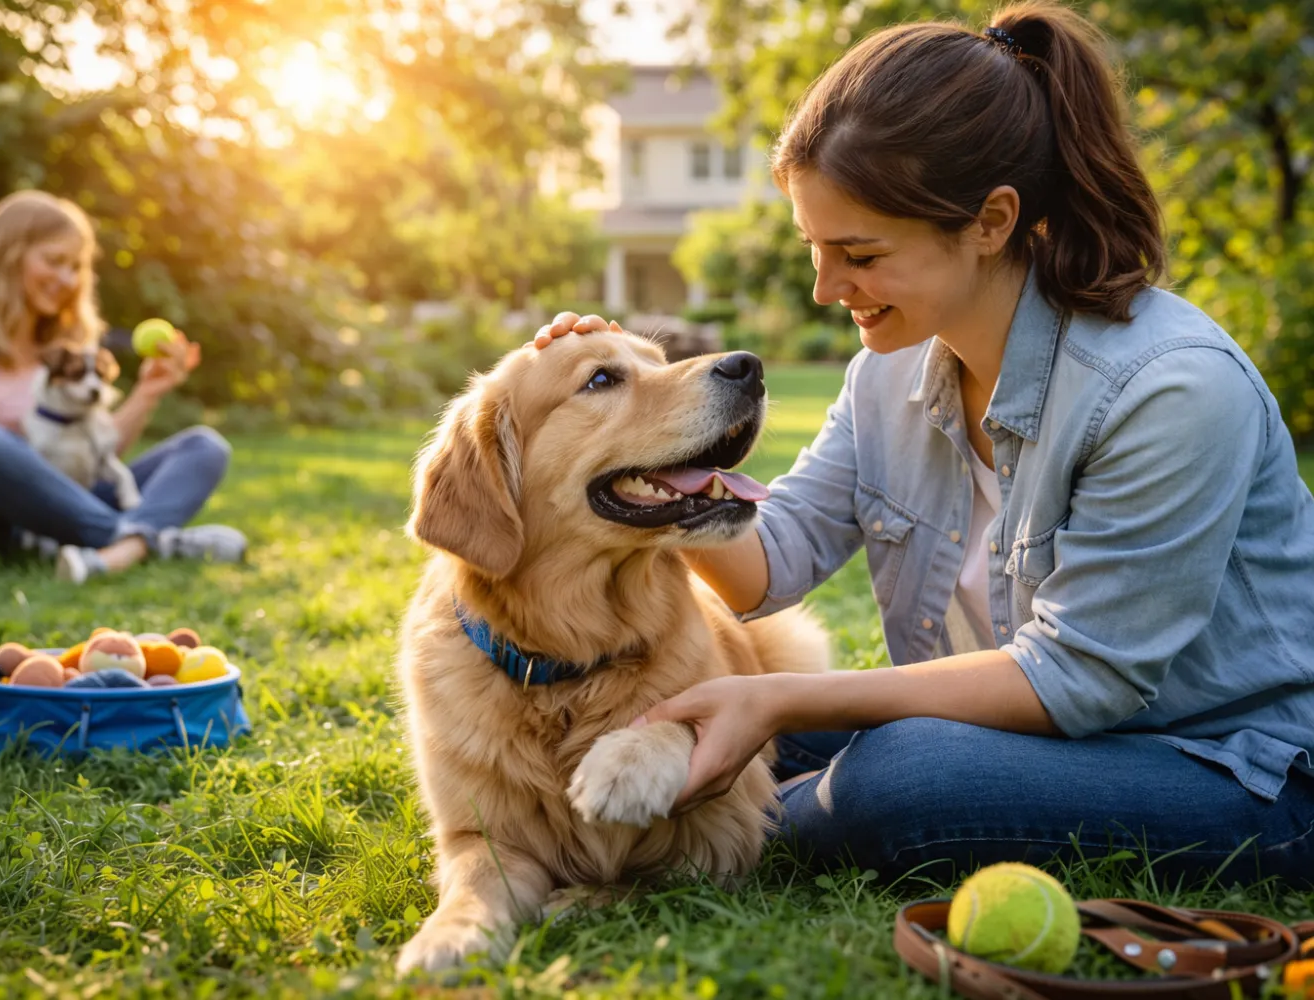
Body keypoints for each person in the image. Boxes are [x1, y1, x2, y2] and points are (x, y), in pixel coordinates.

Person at [537, 1, 1314, 885]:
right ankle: (662, 811)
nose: (829, 288)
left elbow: (1079, 679)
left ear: (990, 221)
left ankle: (694, 835)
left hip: (1239, 767)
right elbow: (772, 560)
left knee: (899, 777)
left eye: (859, 254)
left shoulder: (1169, 389)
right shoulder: (891, 373)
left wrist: (779, 698)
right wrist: (645, 439)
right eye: (815, 249)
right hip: (1029, 731)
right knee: (704, 704)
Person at [0, 190, 246, 583]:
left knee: (203, 447)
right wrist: (19, 468)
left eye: (76, 266)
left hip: (57, 512)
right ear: (7, 256)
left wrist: (147, 394)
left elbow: (96, 453)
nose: (67, 279)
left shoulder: (69, 348)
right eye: (54, 261)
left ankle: (120, 547)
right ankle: (143, 542)